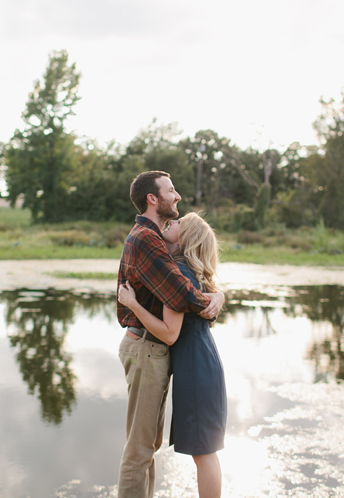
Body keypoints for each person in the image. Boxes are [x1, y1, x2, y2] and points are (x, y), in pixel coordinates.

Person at [117, 171, 225, 498]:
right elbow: (179, 294)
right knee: (140, 449)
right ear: (153, 198)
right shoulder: (148, 239)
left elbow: (182, 291)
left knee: (147, 446)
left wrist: (217, 296)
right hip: (148, 348)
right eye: (171, 190)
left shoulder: (157, 243)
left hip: (159, 352)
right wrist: (213, 300)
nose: (177, 196)